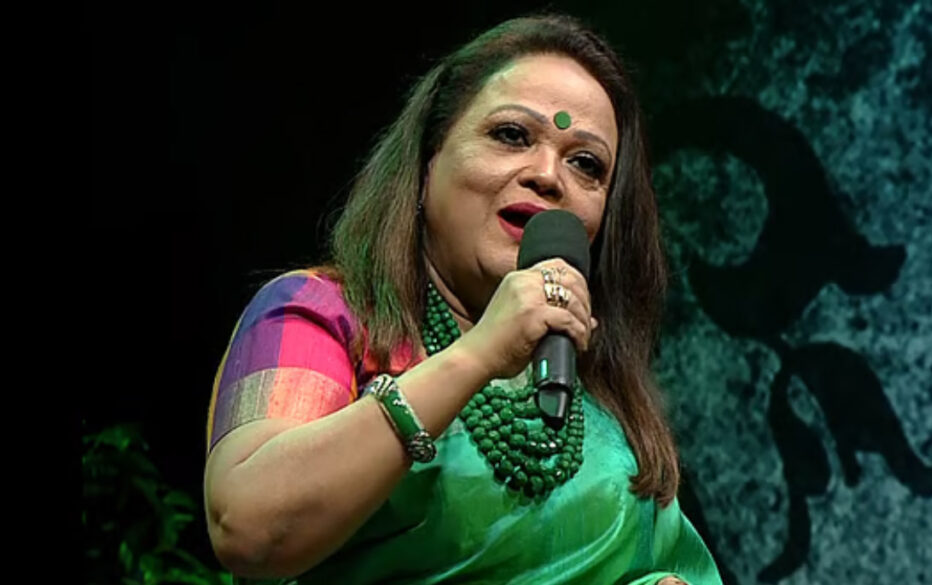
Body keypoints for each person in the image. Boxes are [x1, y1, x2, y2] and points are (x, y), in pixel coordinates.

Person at [203, 13, 723, 585]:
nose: (549, 176)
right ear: (428, 164)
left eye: (586, 164)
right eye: (512, 135)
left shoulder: (598, 386)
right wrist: (478, 355)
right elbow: (248, 526)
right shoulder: (325, 315)